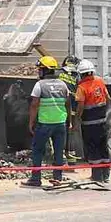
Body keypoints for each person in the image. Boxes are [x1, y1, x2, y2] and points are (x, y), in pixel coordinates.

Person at [23, 56, 70, 188]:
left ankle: (36, 178)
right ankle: (58, 178)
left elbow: (34, 104)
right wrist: (69, 121)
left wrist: (31, 122)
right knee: (59, 151)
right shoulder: (63, 84)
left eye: (40, 69)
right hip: (60, 123)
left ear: (45, 70)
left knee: (38, 150)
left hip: (45, 124)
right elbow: (68, 104)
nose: (39, 72)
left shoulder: (40, 85)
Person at [75, 60, 111, 184]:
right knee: (103, 147)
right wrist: (104, 112)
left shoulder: (81, 87)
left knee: (93, 148)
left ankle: (96, 176)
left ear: (81, 74)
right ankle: (106, 176)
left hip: (89, 124)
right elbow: (108, 99)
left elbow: (80, 106)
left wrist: (77, 118)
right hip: (102, 121)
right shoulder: (100, 81)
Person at [59, 55, 81, 166]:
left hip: (60, 107)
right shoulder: (77, 75)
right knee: (71, 132)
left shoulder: (59, 73)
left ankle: (61, 157)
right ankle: (71, 159)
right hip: (72, 108)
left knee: (60, 132)